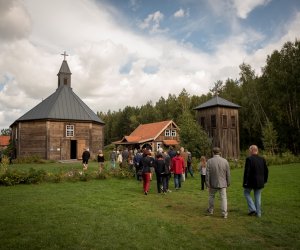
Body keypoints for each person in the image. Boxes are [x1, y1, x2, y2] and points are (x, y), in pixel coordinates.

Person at [243, 145, 269, 217]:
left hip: (251, 181)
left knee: (246, 192)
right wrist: (265, 180)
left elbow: (247, 172)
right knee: (258, 196)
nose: (249, 151)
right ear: (257, 150)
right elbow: (266, 171)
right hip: (260, 181)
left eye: (249, 150)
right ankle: (259, 213)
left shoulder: (249, 159)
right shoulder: (262, 159)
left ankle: (253, 209)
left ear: (251, 150)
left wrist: (245, 182)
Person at [205, 147, 230, 219]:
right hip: (223, 183)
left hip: (213, 183)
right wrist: (228, 182)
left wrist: (207, 184)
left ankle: (211, 210)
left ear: (213, 152)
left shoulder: (209, 161)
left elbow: (207, 174)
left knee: (211, 196)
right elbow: (228, 173)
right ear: (219, 152)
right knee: (223, 198)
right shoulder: (225, 161)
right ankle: (224, 213)